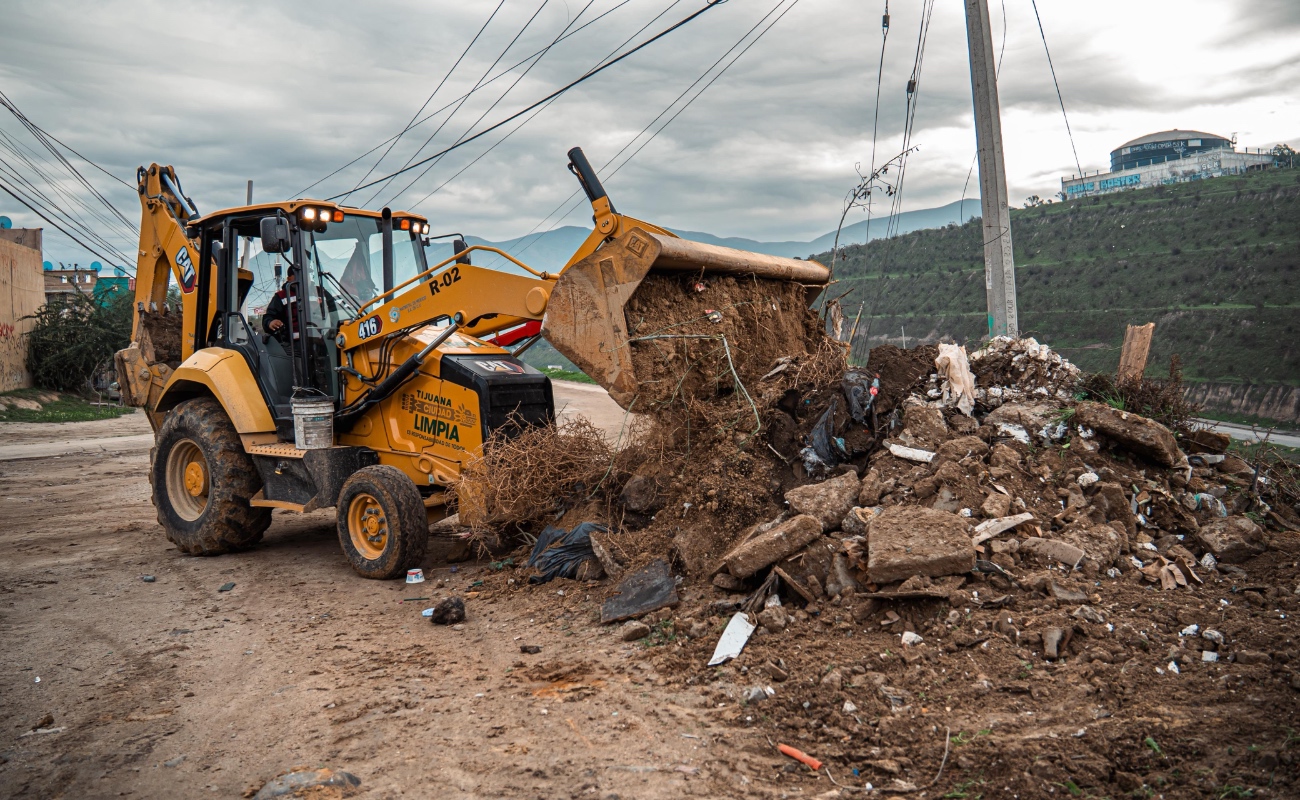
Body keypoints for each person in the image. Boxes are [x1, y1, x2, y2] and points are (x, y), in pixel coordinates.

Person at [263, 265, 300, 343]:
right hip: (292, 346)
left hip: (321, 344)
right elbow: (269, 317)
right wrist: (271, 322)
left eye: (306, 274)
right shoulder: (280, 296)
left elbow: (332, 312)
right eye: (297, 275)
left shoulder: (320, 292)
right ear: (289, 279)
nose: (302, 277)